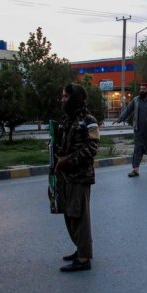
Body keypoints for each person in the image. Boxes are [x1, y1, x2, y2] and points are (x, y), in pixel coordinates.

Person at [55, 83, 99, 272]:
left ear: (75, 98)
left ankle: (83, 258)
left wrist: (68, 161)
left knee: (79, 216)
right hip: (65, 175)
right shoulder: (67, 119)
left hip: (80, 175)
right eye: (63, 96)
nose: (63, 99)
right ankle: (80, 249)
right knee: (69, 214)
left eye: (66, 96)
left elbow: (92, 147)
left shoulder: (89, 120)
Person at [114, 82, 147, 176]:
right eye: (140, 89)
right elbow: (128, 110)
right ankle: (135, 170)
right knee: (138, 149)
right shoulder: (135, 100)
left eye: (143, 89)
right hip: (138, 130)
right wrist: (120, 119)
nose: (141, 91)